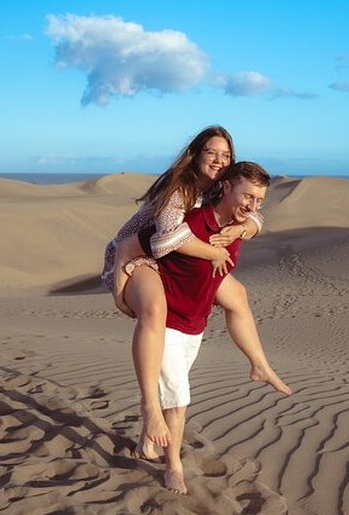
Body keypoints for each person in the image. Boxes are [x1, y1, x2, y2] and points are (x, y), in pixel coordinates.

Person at [100, 126, 290, 457]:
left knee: (238, 296)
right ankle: (150, 408)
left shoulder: (222, 188)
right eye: (211, 152)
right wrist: (217, 252)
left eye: (226, 155)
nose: (219, 160)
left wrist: (243, 228)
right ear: (196, 154)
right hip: (139, 257)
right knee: (155, 310)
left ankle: (259, 364)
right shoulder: (179, 190)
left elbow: (254, 213)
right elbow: (162, 241)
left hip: (177, 263)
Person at [136, 161, 283, 494]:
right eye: (248, 197)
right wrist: (120, 267)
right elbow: (152, 242)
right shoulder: (190, 221)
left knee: (171, 389)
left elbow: (254, 221)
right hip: (168, 321)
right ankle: (173, 465)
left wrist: (245, 225)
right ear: (227, 187)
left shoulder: (238, 225)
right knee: (178, 398)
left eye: (259, 200)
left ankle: (145, 446)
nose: (253, 206)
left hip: (195, 323)